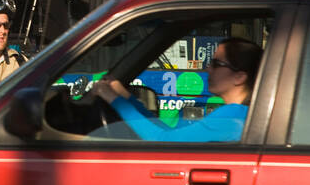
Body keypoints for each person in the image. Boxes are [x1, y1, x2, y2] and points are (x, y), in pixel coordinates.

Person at [88, 36, 262, 142]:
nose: (208, 69)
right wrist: (127, 97)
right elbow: (171, 134)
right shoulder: (242, 113)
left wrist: (114, 99)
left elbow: (161, 140)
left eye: (216, 64)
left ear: (239, 77)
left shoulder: (231, 116)